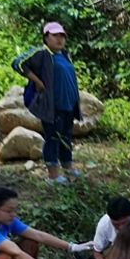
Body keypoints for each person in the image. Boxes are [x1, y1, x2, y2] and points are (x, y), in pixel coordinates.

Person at [12, 21, 82, 184]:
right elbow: (18, 63)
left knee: (66, 137)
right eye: (55, 35)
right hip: (53, 106)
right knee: (53, 138)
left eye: (62, 36)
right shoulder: (42, 53)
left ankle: (68, 168)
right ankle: (53, 176)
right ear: (46, 37)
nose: (59, 39)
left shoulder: (63, 55)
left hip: (68, 105)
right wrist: (37, 81)